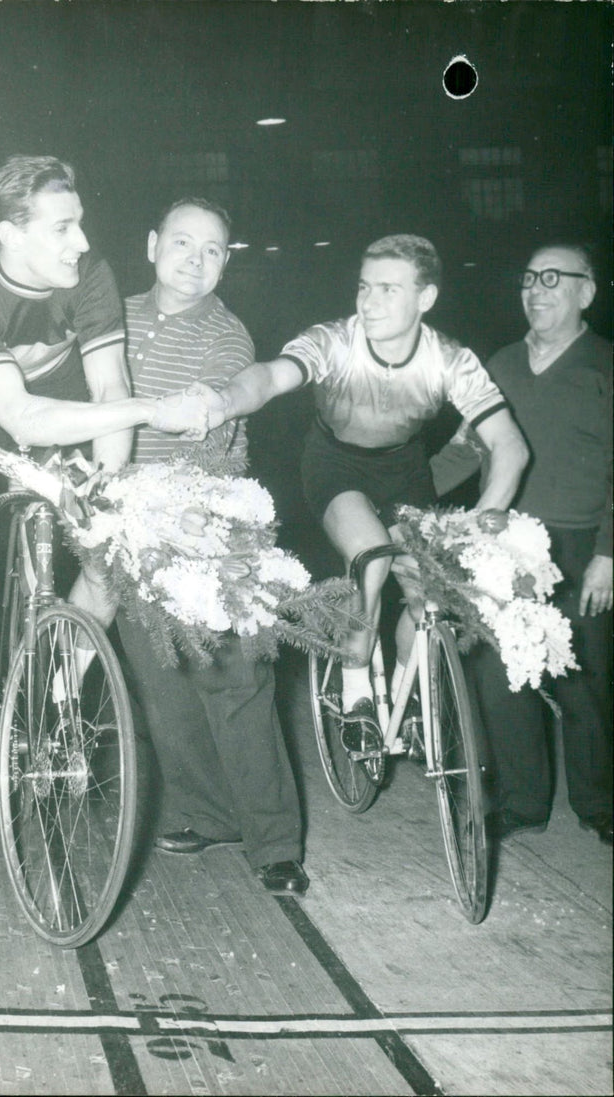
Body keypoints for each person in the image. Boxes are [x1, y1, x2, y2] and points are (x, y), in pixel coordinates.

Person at [0, 156, 207, 739]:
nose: (83, 241)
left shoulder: (91, 274)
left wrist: (109, 483)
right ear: (12, 235)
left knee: (115, 540)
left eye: (81, 222)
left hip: (72, 408)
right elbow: (19, 416)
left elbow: (110, 384)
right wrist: (152, 411)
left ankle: (66, 691)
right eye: (63, 227)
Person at [191, 234, 528, 733]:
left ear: (426, 299)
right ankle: (356, 699)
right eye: (365, 287)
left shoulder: (451, 359)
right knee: (371, 560)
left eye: (388, 290)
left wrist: (483, 521)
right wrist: (226, 400)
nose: (369, 302)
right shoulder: (334, 340)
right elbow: (269, 377)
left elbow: (511, 448)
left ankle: (407, 698)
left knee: (428, 594)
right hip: (335, 463)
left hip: (405, 470)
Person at [114, 197, 309, 895]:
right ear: (151, 243)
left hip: (206, 518)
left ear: (227, 262)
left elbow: (237, 388)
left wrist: (217, 402)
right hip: (123, 523)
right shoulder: (110, 317)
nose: (196, 260)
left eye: (214, 250)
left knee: (235, 683)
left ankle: (275, 842)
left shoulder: (227, 332)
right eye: (183, 242)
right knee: (163, 685)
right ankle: (212, 813)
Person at [454, 243, 612, 845]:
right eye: (528, 278)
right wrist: (398, 492)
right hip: (512, 543)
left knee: (585, 678)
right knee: (503, 676)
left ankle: (600, 803)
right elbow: (466, 448)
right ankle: (524, 802)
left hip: (583, 546)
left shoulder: (604, 365)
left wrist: (608, 552)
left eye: (553, 278)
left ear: (586, 292)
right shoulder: (500, 363)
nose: (536, 290)